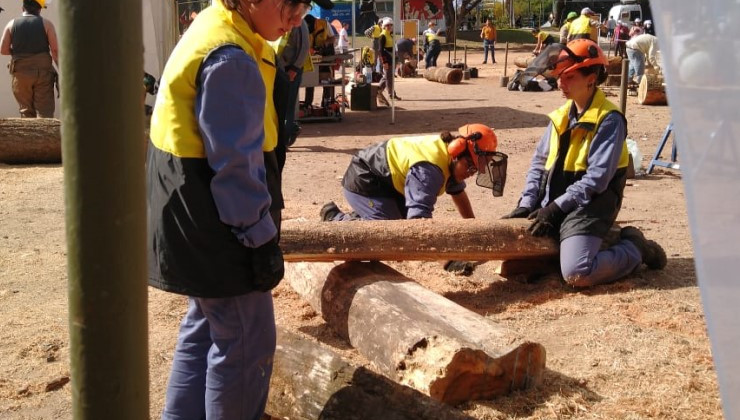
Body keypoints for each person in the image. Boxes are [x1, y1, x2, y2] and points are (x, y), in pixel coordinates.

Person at [146, 0, 309, 418]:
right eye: (291, 4)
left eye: (305, 5)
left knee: (204, 327)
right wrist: (258, 240)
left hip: (191, 210)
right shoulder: (231, 58)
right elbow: (236, 165)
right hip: (218, 219)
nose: (298, 16)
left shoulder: (222, 26)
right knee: (246, 342)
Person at [502, 39, 666, 288]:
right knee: (511, 266)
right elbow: (539, 163)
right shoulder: (560, 117)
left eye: (568, 77)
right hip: (557, 203)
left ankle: (635, 248)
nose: (560, 83)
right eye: (559, 76)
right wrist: (527, 203)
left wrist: (555, 209)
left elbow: (597, 180)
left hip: (590, 205)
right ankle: (597, 241)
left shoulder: (609, 120)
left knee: (577, 273)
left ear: (591, 77)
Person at [320, 123, 506, 222]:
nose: (472, 173)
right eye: (471, 167)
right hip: (365, 179)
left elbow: (458, 193)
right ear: (458, 153)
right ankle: (336, 219)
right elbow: (418, 222)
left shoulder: (450, 159)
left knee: (396, 224)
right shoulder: (429, 170)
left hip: (388, 183)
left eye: (477, 169)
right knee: (389, 236)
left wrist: (471, 230)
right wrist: (447, 261)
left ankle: (363, 217)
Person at [0, 0, 58, 118]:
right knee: (44, 113)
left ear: (23, 8)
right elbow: (55, 50)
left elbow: (3, 49)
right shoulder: (46, 24)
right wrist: (62, 71)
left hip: (21, 74)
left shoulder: (11, 24)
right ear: (39, 9)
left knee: (26, 112)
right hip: (43, 74)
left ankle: (30, 136)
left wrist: (18, 54)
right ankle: (45, 136)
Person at [378, 18, 400, 103]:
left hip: (392, 58)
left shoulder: (390, 34)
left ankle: (378, 90)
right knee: (388, 77)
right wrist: (384, 62)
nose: (389, 26)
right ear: (384, 26)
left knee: (388, 77)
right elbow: (380, 50)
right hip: (386, 59)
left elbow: (394, 47)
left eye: (391, 25)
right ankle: (391, 94)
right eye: (387, 25)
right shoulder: (382, 35)